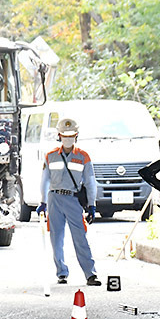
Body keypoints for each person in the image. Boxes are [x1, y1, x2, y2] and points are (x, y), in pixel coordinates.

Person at [37, 118, 101, 286]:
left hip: (73, 200)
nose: (68, 138)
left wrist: (92, 205)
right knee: (56, 237)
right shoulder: (50, 156)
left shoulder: (83, 156)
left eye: (71, 135)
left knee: (80, 237)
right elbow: (45, 180)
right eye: (65, 135)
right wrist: (43, 201)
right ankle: (61, 272)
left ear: (76, 136)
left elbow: (90, 182)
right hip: (54, 199)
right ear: (59, 136)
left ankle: (90, 274)